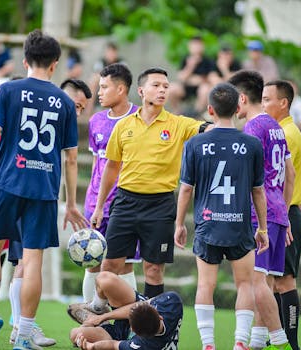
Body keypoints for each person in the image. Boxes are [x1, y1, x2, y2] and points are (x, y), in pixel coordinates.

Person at [0, 30, 87, 349]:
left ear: (24, 60)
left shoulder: (8, 90)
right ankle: (23, 333)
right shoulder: (64, 101)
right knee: (33, 261)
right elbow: (71, 158)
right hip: (44, 189)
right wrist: (71, 203)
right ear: (55, 64)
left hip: (7, 182)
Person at [90, 67, 211, 299]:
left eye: (166, 86)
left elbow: (204, 127)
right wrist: (99, 206)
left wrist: (220, 126)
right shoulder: (124, 126)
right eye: (156, 85)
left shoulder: (177, 123)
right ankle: (104, 314)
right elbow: (111, 168)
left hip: (160, 205)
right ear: (141, 91)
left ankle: (153, 327)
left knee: (153, 270)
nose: (162, 90)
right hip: (125, 202)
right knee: (109, 267)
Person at [174, 82, 269, 350]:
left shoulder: (195, 143)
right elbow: (258, 191)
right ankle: (240, 342)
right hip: (239, 225)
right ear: (238, 107)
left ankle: (208, 344)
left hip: (207, 225)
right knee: (244, 284)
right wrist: (262, 228)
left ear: (210, 110)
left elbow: (185, 189)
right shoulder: (251, 144)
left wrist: (180, 223)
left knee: (206, 285)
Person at [228, 70, 294, 350]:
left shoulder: (253, 128)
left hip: (260, 215)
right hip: (278, 212)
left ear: (242, 98)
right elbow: (289, 173)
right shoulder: (276, 126)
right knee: (264, 282)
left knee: (255, 283)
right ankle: (255, 343)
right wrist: (286, 213)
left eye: (233, 100)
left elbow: (245, 177)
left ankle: (281, 342)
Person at [83, 63, 140, 302]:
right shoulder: (96, 120)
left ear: (121, 89)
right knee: (92, 263)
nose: (99, 92)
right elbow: (98, 165)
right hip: (96, 202)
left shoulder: (139, 118)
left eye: (104, 87)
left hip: (127, 203)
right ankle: (87, 317)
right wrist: (92, 201)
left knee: (125, 265)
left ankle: (124, 319)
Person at [262, 80, 301, 350]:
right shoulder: (281, 131)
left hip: (286, 212)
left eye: (268, 99)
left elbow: (283, 180)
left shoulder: (286, 134)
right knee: (275, 280)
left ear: (283, 103)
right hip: (283, 212)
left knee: (284, 280)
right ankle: (277, 337)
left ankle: (291, 342)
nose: (263, 104)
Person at [68, 271, 183, 350]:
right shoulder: (173, 302)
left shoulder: (140, 346)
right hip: (140, 324)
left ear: (134, 332)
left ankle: (99, 323)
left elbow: (113, 345)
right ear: (160, 316)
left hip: (121, 336)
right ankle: (97, 310)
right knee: (105, 279)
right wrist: (102, 316)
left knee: (75, 335)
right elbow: (141, 304)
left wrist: (91, 346)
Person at [168, 36, 215, 114]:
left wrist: (200, 80)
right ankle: (177, 112)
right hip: (185, 88)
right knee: (171, 88)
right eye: (194, 45)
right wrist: (190, 65)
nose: (196, 48)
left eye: (198, 45)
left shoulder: (208, 61)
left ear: (203, 46)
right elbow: (181, 78)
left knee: (205, 88)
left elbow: (211, 77)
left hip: (201, 89)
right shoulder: (185, 59)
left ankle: (196, 113)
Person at [195, 45, 242, 114]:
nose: (226, 58)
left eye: (228, 55)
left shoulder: (236, 64)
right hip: (215, 88)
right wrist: (226, 78)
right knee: (204, 89)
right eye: (224, 55)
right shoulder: (213, 63)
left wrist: (224, 69)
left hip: (232, 91)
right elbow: (213, 79)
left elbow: (234, 80)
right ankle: (199, 112)